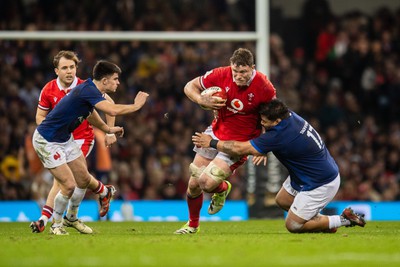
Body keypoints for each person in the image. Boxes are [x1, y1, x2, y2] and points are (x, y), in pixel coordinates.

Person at [192, 99, 366, 233]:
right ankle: (322, 224)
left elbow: (238, 148)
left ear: (276, 122)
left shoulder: (280, 135)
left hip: (320, 182)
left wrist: (212, 142)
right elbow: (278, 141)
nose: (261, 123)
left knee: (293, 225)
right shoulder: (288, 116)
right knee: (282, 200)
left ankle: (343, 219)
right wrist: (262, 150)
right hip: (308, 173)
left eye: (265, 121)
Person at [32, 60, 149, 235]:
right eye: (115, 79)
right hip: (47, 140)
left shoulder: (88, 90)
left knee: (83, 178)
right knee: (68, 185)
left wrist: (108, 129)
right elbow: (113, 110)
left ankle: (103, 192)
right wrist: (136, 105)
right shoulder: (88, 90)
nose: (118, 82)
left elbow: (90, 114)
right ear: (104, 80)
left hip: (65, 138)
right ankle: (56, 225)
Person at [174, 48, 276, 234]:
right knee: (194, 182)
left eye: (243, 72)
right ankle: (192, 225)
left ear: (252, 68)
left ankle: (222, 189)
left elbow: (273, 118)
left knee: (206, 183)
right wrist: (201, 100)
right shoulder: (221, 74)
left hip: (239, 143)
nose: (238, 76)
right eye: (235, 71)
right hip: (215, 132)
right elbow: (189, 86)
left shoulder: (264, 87)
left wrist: (263, 145)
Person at [30, 51, 117, 234]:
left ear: (76, 68)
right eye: (64, 68)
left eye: (72, 67)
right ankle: (97, 195)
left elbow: (110, 106)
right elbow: (40, 117)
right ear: (57, 71)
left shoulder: (86, 86)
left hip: (82, 137)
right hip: (58, 138)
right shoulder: (48, 89)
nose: (69, 71)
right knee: (75, 180)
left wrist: (109, 131)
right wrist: (50, 134)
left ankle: (48, 219)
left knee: (65, 180)